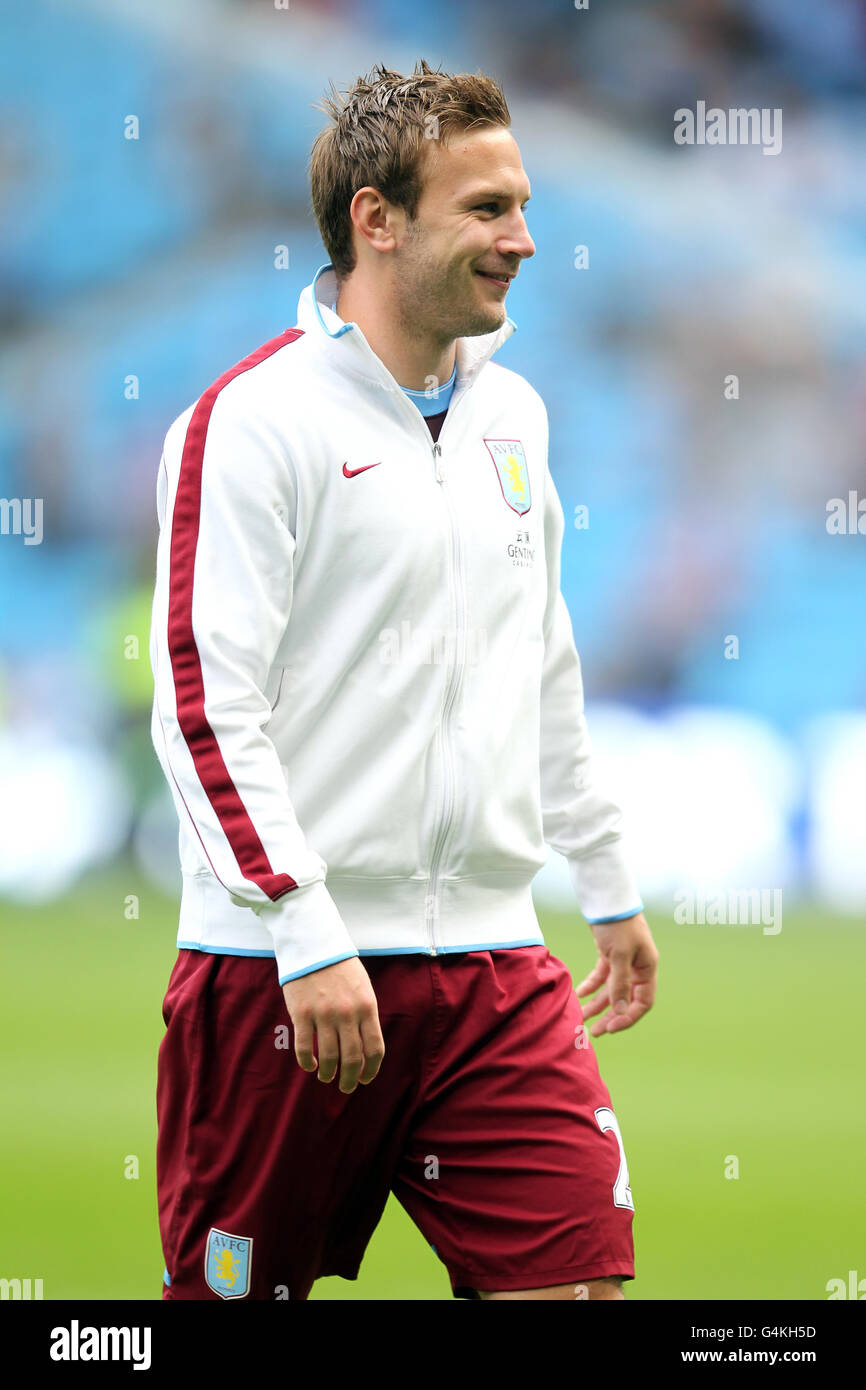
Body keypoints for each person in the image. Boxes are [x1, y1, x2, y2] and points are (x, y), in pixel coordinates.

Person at [149, 59, 659, 1303]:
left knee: (578, 1289)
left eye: (523, 205)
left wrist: (601, 879)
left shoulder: (516, 416)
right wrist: (303, 927)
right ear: (377, 221)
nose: (524, 240)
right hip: (283, 973)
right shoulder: (251, 421)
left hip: (492, 964)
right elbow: (204, 702)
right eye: (486, 209)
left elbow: (539, 658)